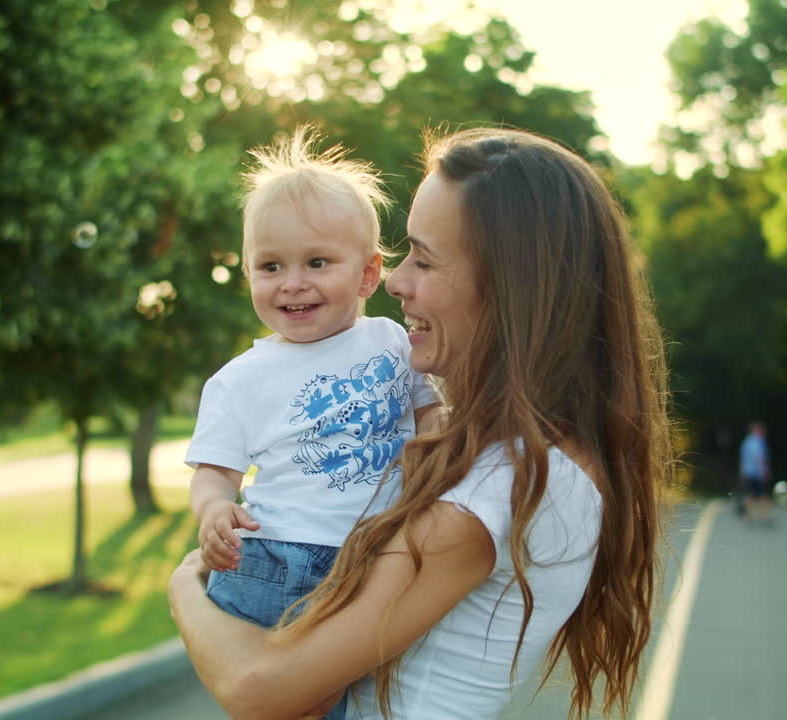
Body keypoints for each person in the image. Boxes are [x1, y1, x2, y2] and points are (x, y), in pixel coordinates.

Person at [169, 127, 672, 720]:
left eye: (423, 259)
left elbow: (258, 688)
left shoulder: (498, 488)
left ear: (511, 287)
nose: (395, 281)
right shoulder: (520, 455)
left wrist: (183, 588)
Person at [182, 127, 439, 719]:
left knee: (363, 693)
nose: (292, 282)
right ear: (247, 272)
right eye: (270, 266)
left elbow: (432, 415)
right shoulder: (239, 380)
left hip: (376, 552)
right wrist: (214, 510)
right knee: (287, 697)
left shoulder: (392, 341)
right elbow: (214, 472)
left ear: (369, 275)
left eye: (317, 262)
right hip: (276, 558)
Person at [739, 421, 771, 523]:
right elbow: (759, 457)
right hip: (758, 473)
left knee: (749, 494)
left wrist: (742, 472)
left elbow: (742, 458)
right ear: (757, 430)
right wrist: (764, 471)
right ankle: (763, 515)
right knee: (763, 494)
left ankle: (749, 515)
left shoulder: (746, 442)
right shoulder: (759, 441)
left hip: (747, 472)